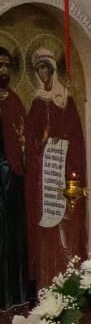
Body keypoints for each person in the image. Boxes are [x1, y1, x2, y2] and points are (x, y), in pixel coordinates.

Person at [25, 46, 86, 289]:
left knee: (66, 230)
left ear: (52, 70)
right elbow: (30, 138)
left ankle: (70, 282)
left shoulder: (65, 99)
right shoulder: (37, 102)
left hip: (63, 173)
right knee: (47, 233)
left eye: (45, 68)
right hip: (45, 180)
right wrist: (40, 142)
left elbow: (76, 137)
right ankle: (46, 283)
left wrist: (62, 140)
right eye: (38, 69)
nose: (42, 73)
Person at [0, 46, 30, 308]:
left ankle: (13, 301)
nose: (4, 70)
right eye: (0, 65)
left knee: (12, 239)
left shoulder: (13, 99)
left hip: (11, 176)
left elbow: (24, 136)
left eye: (7, 65)